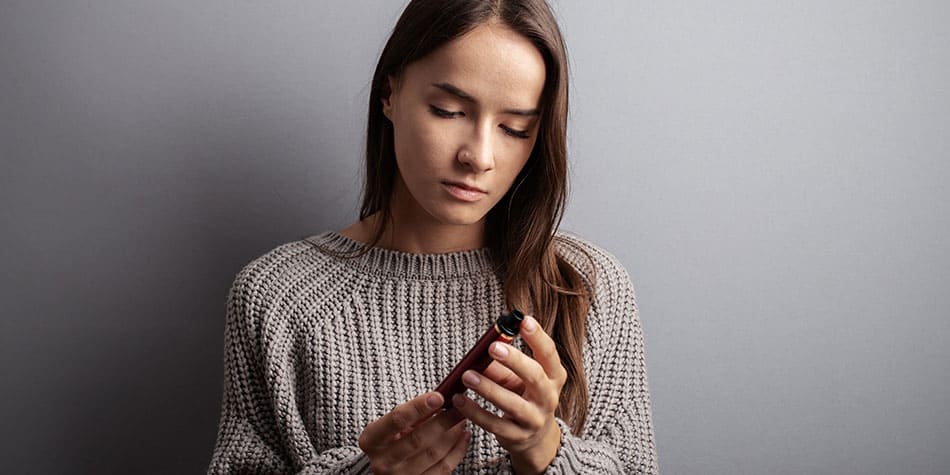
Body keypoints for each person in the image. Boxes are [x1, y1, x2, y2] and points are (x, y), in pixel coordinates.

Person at [207, 0, 658, 473]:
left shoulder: (588, 287)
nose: (479, 156)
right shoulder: (276, 295)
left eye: (514, 128)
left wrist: (547, 451)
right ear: (389, 93)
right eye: (448, 111)